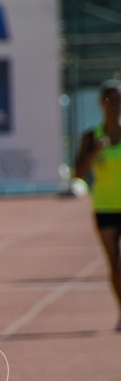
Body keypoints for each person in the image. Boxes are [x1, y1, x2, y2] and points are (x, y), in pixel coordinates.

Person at [75, 79, 121, 330]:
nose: (114, 105)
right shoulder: (91, 136)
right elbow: (77, 174)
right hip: (105, 207)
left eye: (118, 99)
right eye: (109, 99)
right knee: (115, 263)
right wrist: (94, 153)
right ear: (101, 103)